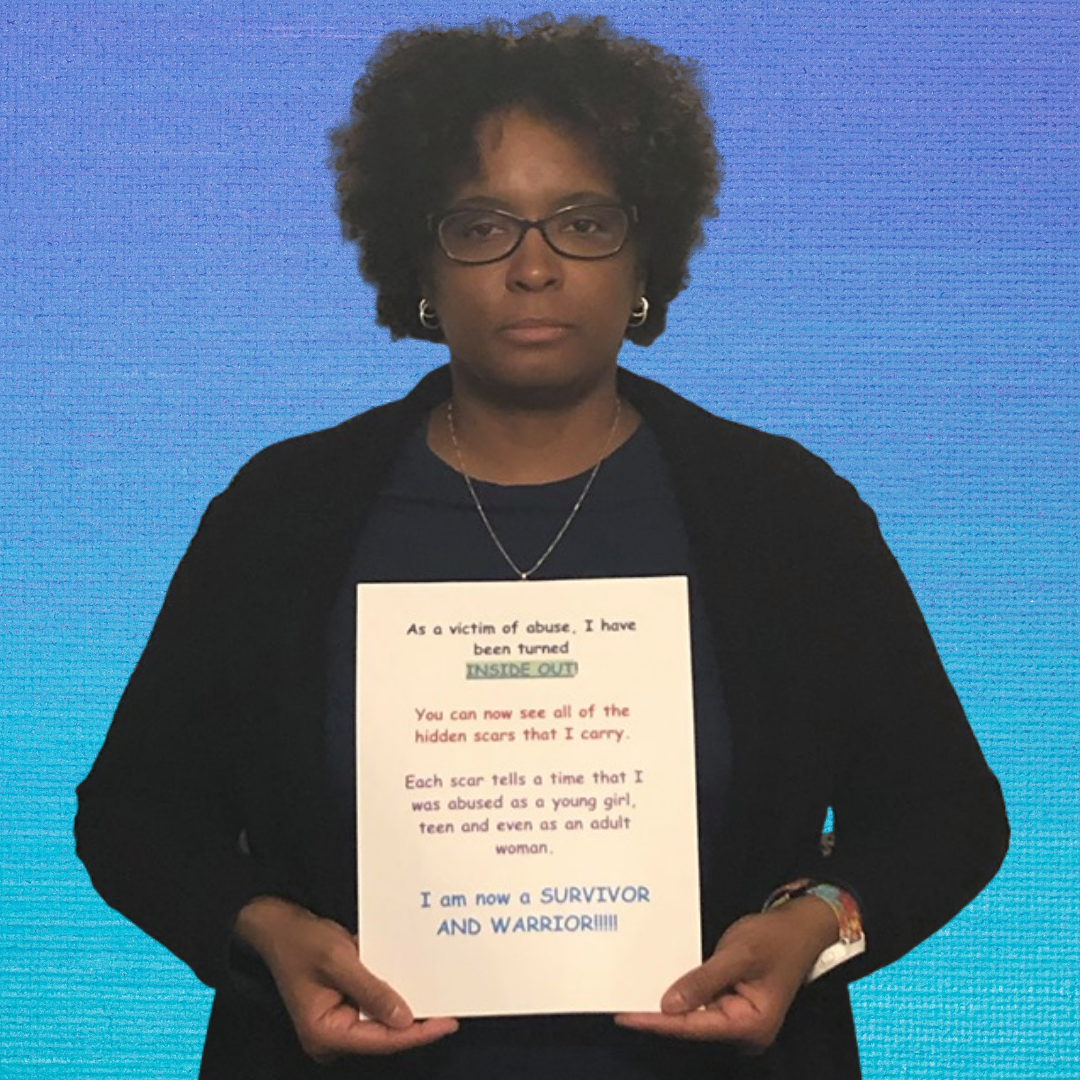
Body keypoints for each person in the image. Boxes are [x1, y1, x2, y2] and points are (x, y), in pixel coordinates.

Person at [75, 14, 1009, 1079]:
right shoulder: (282, 511)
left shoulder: (789, 514)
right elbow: (134, 815)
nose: (534, 268)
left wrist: (818, 926)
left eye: (582, 222)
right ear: (418, 259)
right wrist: (259, 930)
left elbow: (948, 815)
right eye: (482, 226)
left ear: (645, 250)